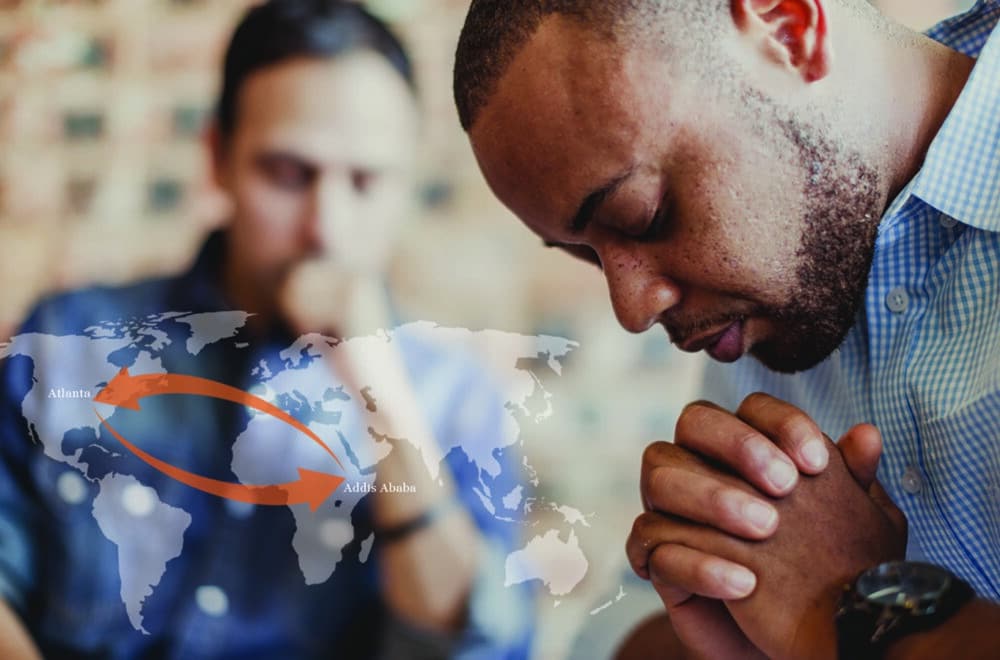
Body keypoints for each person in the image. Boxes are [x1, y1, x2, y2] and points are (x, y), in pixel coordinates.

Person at [453, 0, 1000, 657]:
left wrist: (837, 607)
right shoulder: (765, 324)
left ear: (788, 29)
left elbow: (818, 605)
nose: (633, 310)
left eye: (643, 216)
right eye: (586, 255)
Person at [0, 1, 532, 658]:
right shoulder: (69, 345)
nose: (325, 228)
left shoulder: (455, 399)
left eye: (365, 181)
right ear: (219, 157)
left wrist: (376, 389)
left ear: (404, 185)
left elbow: (476, 643)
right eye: (287, 174)